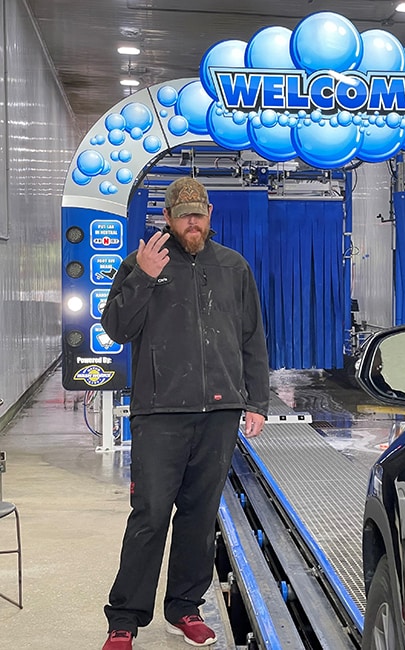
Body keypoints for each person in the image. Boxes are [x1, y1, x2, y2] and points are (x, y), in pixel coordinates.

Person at [100, 177, 271, 649]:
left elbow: (252, 338)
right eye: (183, 214)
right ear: (168, 218)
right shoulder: (142, 263)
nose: (192, 221)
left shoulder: (233, 267)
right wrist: (145, 277)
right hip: (159, 412)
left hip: (219, 413)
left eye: (199, 213)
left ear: (209, 214)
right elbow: (116, 329)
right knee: (151, 513)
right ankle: (126, 617)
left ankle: (184, 607)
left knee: (199, 514)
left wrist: (255, 400)